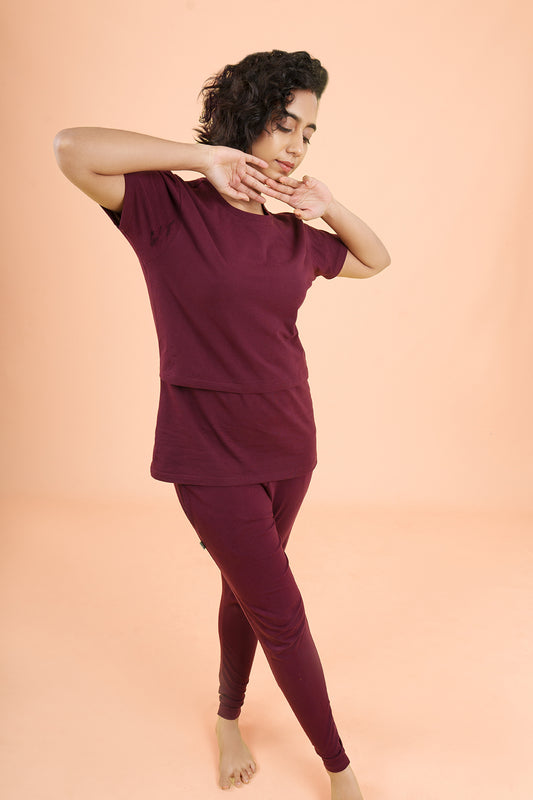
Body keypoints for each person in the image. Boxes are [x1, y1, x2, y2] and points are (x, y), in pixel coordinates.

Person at [53, 49, 390, 800]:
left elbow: (375, 259)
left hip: (290, 443)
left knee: (244, 593)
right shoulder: (165, 208)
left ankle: (227, 716)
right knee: (281, 609)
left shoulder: (294, 237)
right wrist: (203, 159)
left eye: (308, 131)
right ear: (245, 120)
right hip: (206, 451)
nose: (297, 144)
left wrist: (325, 204)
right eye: (282, 124)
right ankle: (339, 769)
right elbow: (70, 148)